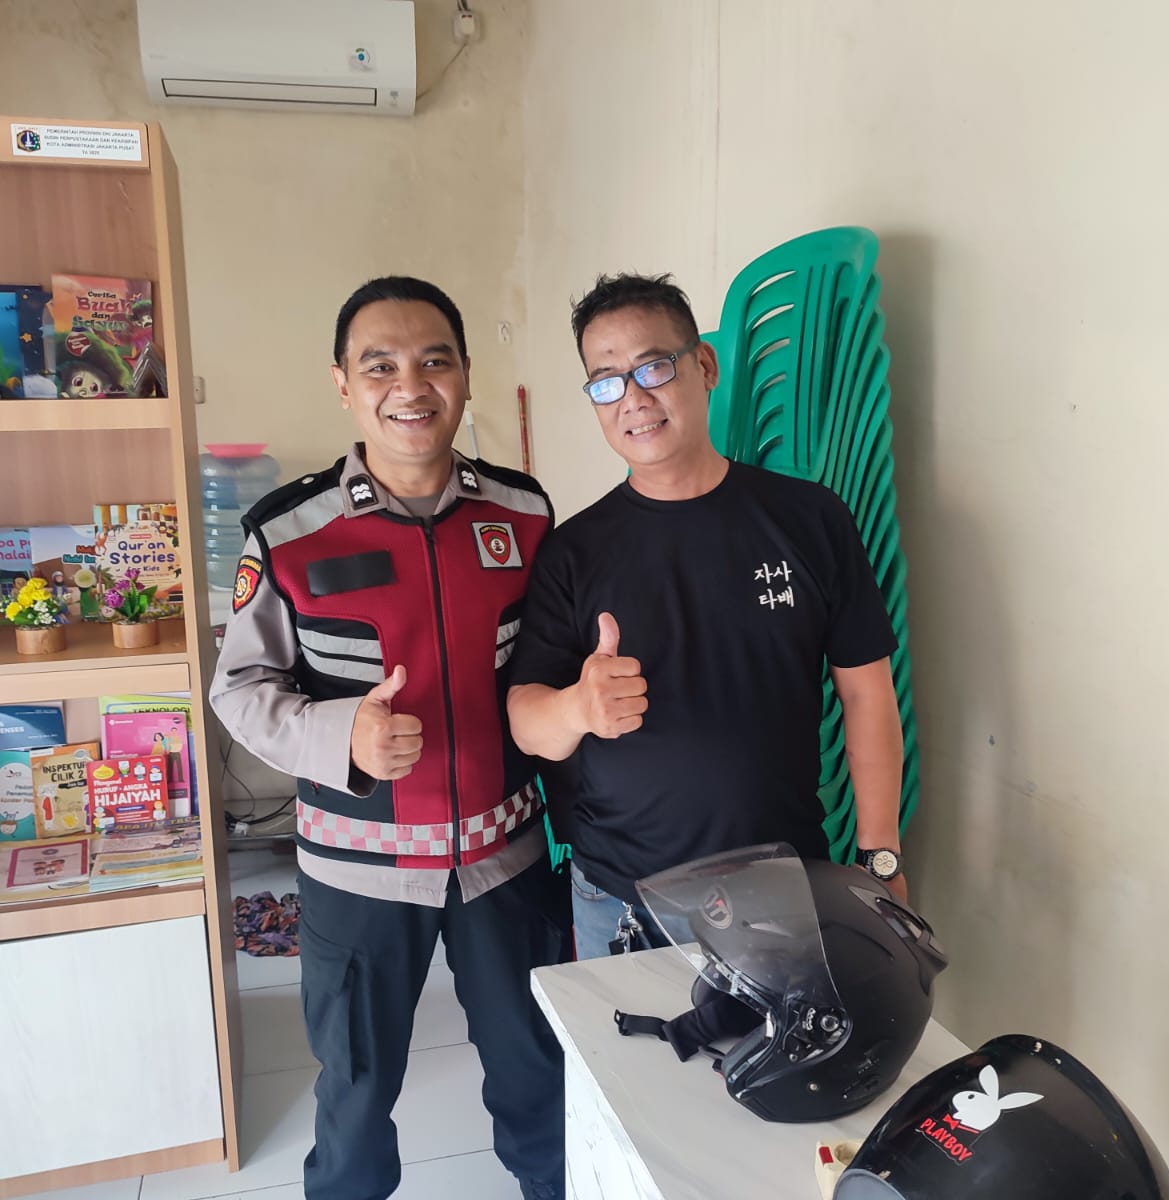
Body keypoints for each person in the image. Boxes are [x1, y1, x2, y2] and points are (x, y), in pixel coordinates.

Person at [210, 276, 567, 1200]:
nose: (411, 386)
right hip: (357, 874)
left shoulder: (525, 515)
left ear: (466, 375)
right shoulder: (288, 532)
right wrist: (345, 737)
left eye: (434, 361)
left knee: (539, 1073)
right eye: (380, 366)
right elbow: (240, 690)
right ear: (343, 384)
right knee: (357, 1092)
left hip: (506, 862)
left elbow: (551, 668)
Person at [506, 273, 908, 961]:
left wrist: (881, 859)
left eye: (653, 367)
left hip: (782, 894)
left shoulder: (810, 520)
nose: (633, 399)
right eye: (606, 382)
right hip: (622, 902)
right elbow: (526, 720)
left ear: (705, 365)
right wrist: (578, 708)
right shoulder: (574, 551)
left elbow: (867, 694)